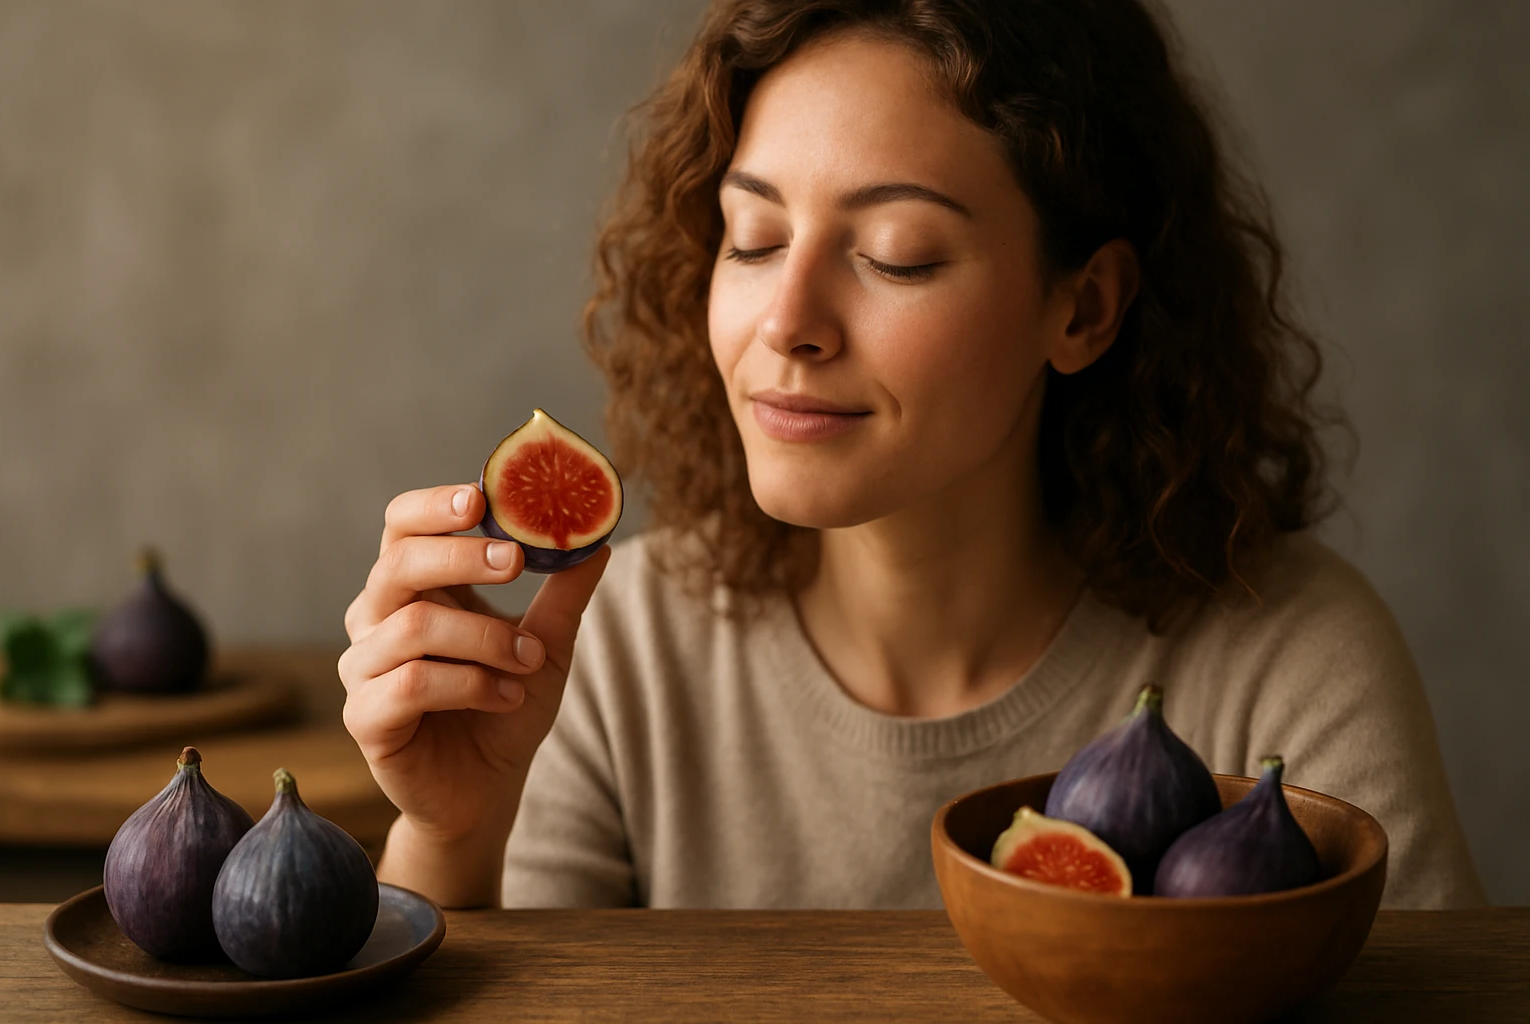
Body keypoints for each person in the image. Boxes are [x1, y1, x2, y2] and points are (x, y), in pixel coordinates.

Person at [338, 0, 1485, 910]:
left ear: (1083, 308)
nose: (788, 320)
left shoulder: (1291, 663)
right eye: (753, 237)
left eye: (896, 254)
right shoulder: (614, 649)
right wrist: (453, 832)